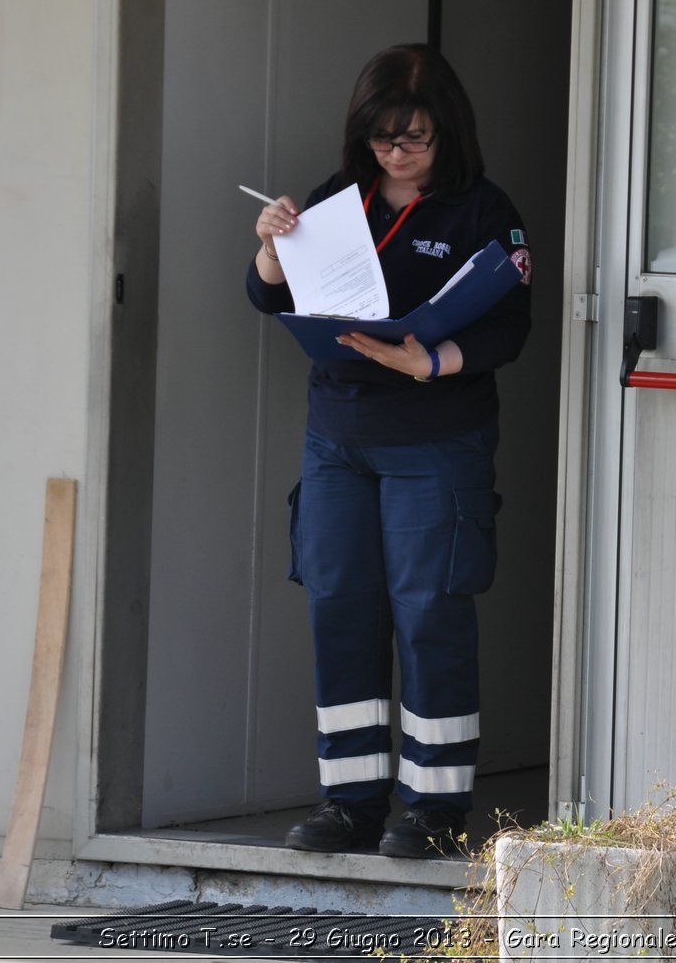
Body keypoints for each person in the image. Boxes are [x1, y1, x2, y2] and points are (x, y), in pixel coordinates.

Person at [244, 44, 532, 858]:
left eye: (414, 139)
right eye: (381, 138)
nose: (396, 153)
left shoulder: (484, 209)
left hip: (437, 441)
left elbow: (510, 324)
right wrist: (271, 247)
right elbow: (270, 292)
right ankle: (350, 802)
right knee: (338, 604)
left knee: (429, 611)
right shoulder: (343, 197)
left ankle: (435, 810)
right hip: (338, 435)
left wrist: (432, 360)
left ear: (449, 133)